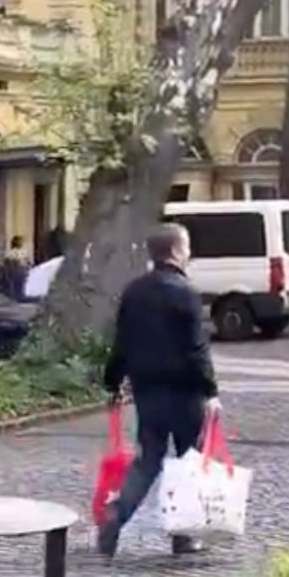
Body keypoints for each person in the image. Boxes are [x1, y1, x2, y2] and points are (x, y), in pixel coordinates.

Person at [97, 222, 221, 559]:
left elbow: (121, 342)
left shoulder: (134, 291)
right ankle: (183, 536)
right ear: (177, 251)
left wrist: (112, 382)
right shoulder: (186, 293)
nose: (190, 252)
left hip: (148, 391)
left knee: (147, 460)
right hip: (185, 393)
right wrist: (211, 391)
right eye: (188, 246)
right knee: (187, 462)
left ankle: (115, 516)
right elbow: (196, 348)